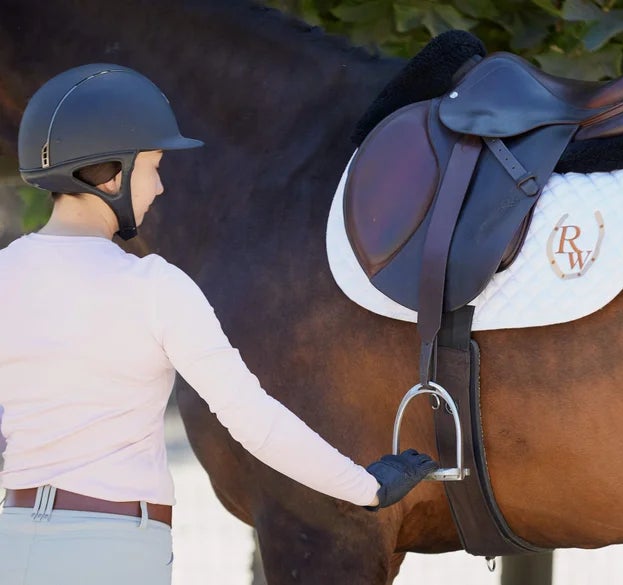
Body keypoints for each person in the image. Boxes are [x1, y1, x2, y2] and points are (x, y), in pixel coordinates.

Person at [0, 64, 438, 585]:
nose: (160, 187)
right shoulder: (155, 286)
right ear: (112, 174)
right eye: (154, 167)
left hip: (15, 537)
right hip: (112, 547)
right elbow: (254, 419)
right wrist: (367, 486)